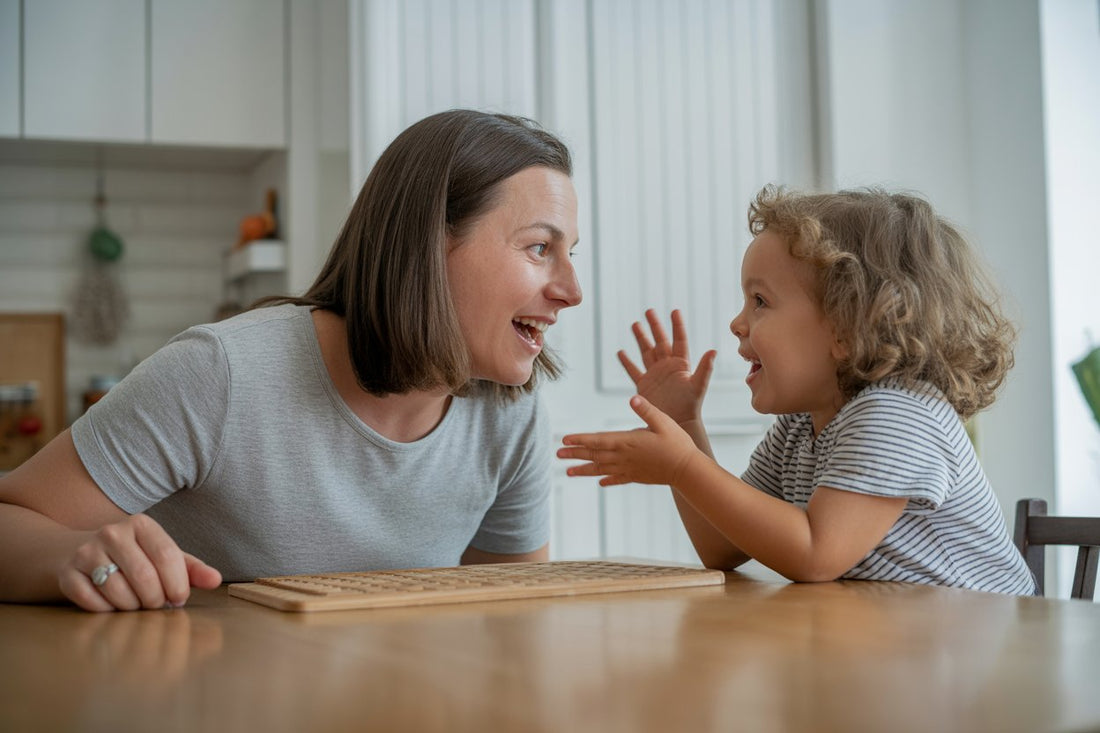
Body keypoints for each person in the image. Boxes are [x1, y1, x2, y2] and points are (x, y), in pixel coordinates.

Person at [0, 109, 582, 612]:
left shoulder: (511, 417)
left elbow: (506, 618)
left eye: (570, 254)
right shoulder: (219, 374)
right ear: (430, 244)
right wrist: (68, 557)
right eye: (539, 248)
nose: (572, 290)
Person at [558, 184, 1036, 595]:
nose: (737, 323)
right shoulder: (799, 430)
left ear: (847, 329)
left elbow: (814, 554)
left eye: (760, 301)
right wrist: (685, 429)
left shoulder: (899, 414)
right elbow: (721, 547)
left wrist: (683, 466)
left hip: (984, 652)